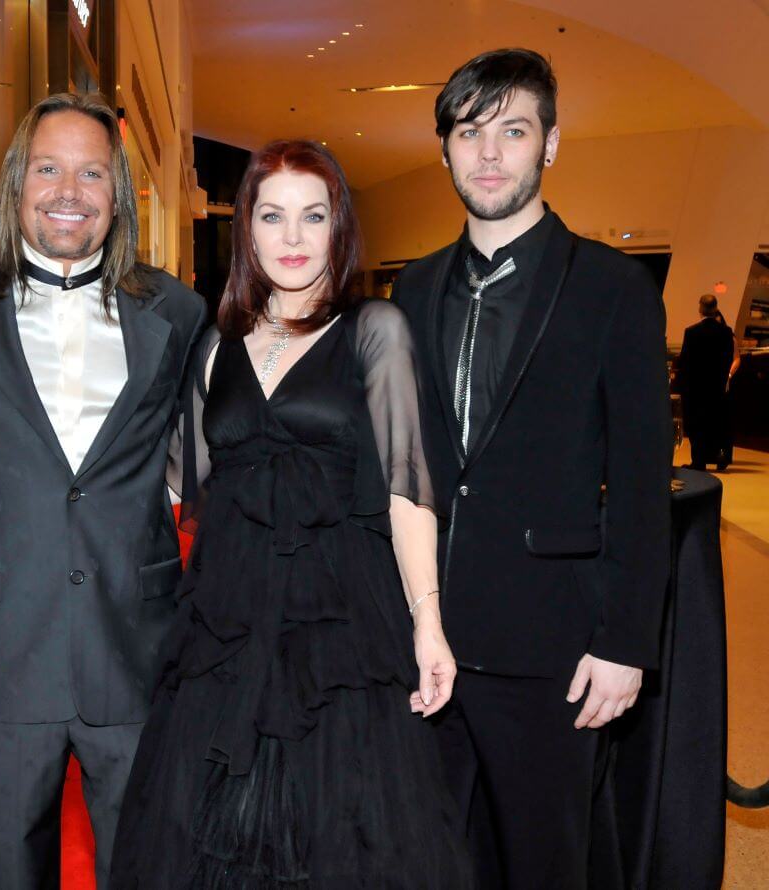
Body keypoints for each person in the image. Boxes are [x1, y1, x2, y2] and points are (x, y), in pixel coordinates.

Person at [110, 140, 472, 889]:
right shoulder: (216, 345)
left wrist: (428, 624)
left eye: (315, 215)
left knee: (341, 830)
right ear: (246, 228)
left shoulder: (376, 330)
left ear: (338, 227)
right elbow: (180, 484)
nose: (294, 237)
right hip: (228, 620)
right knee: (213, 830)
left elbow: (407, 487)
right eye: (273, 217)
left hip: (338, 621)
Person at [391, 49, 672, 889]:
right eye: (468, 132)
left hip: (553, 648)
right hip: (429, 644)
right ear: (442, 147)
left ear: (550, 144)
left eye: (512, 131)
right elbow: (408, 469)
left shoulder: (613, 289)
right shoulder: (414, 288)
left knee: (550, 864)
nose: (488, 154)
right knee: (436, 859)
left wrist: (625, 641)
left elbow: (639, 481)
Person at [0, 92, 206, 890]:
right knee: (9, 869)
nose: (69, 191)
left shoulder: (178, 312)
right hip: (4, 645)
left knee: (144, 864)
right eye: (49, 168)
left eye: (91, 173)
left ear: (119, 198)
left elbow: (206, 462)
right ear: (16, 183)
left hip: (135, 641)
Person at [675, 295, 737, 470]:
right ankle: (717, 458)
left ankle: (698, 461)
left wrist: (682, 385)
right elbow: (727, 359)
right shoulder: (726, 332)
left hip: (695, 387)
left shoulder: (691, 332)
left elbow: (685, 361)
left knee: (696, 423)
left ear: (700, 309)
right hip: (717, 386)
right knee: (715, 422)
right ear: (716, 308)